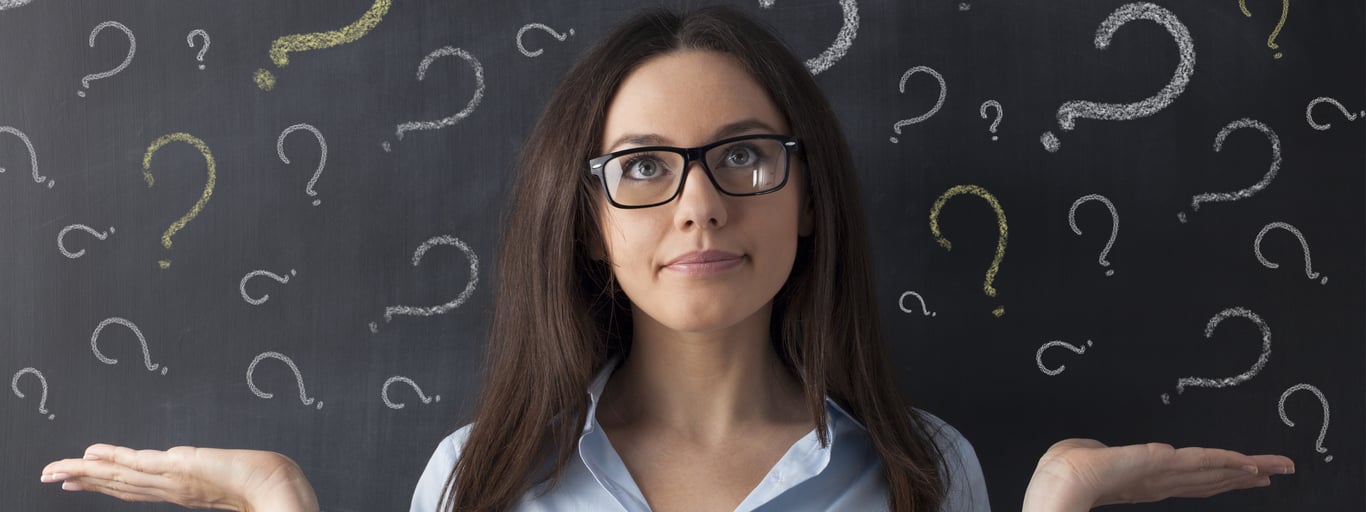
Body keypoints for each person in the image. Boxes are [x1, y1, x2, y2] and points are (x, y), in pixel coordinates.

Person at [39, 6, 1294, 512]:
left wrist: (1055, 502)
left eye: (744, 155)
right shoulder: (475, 478)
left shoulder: (925, 471)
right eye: (642, 167)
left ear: (808, 201)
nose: (698, 206)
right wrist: (279, 501)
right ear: (589, 220)